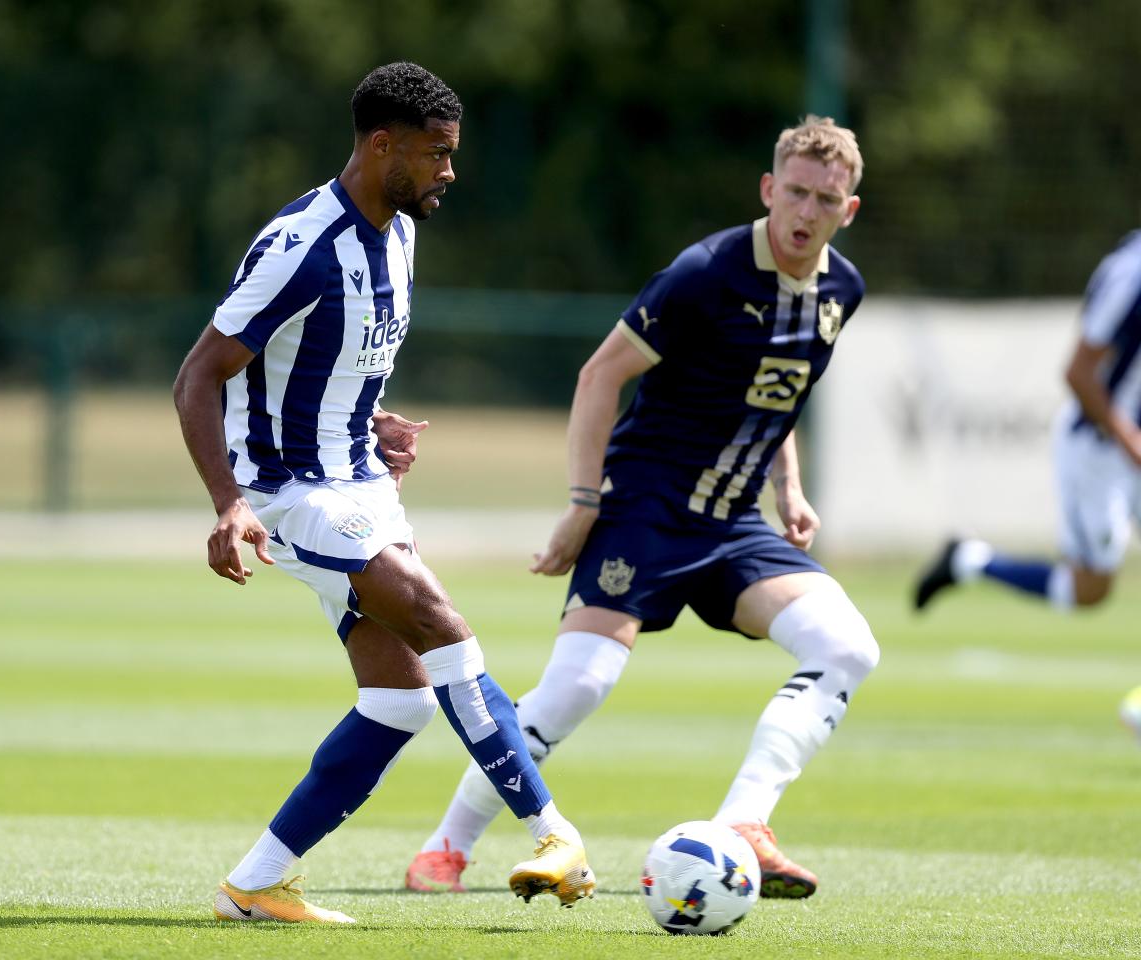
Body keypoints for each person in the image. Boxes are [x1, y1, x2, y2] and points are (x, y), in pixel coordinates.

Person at [406, 116, 879, 900]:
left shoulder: (842, 290)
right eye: (795, 191)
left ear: (848, 210)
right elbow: (599, 375)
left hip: (733, 522)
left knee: (848, 648)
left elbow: (781, 391)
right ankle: (446, 846)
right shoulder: (706, 273)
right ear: (769, 189)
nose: (806, 211)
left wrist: (788, 488)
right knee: (577, 687)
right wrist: (583, 503)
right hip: (645, 509)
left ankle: (743, 826)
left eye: (825, 200)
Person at [173, 63, 595, 925]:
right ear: (381, 146)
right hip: (291, 495)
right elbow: (197, 376)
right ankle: (554, 833)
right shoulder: (301, 246)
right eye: (436, 154)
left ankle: (253, 885)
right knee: (440, 620)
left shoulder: (400, 231)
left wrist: (371, 424)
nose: (450, 171)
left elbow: (322, 364)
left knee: (400, 701)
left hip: (358, 483)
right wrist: (227, 502)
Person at [915, 232, 1141, 614]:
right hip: (1100, 448)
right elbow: (1079, 374)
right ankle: (970, 561)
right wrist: (1132, 443)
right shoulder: (1131, 276)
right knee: (1089, 589)